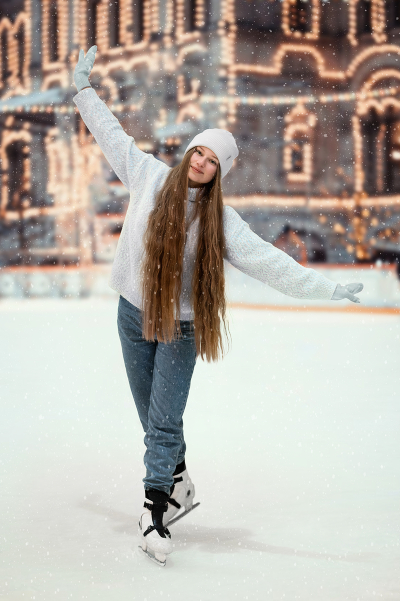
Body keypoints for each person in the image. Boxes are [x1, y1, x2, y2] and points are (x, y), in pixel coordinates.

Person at [73, 46, 364, 566]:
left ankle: (154, 512)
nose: (202, 163)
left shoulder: (222, 222)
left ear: (220, 172)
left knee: (164, 422)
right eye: (199, 152)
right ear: (190, 151)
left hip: (182, 327)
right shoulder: (147, 176)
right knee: (151, 417)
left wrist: (325, 287)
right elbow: (110, 133)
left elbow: (270, 262)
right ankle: (177, 478)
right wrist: (83, 91)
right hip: (133, 315)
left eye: (213, 161)